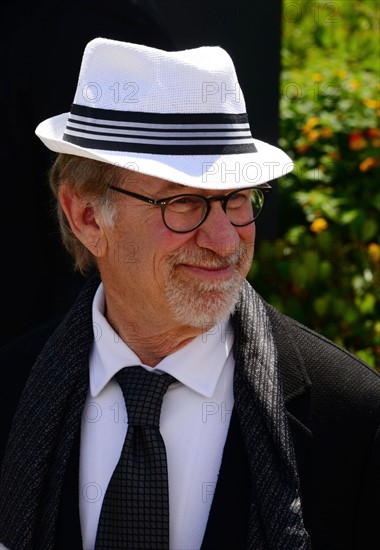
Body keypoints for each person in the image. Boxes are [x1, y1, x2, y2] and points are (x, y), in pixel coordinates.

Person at [0, 37, 379, 550]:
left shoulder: (352, 417)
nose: (225, 241)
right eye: (183, 203)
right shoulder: (12, 390)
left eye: (238, 199)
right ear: (87, 216)